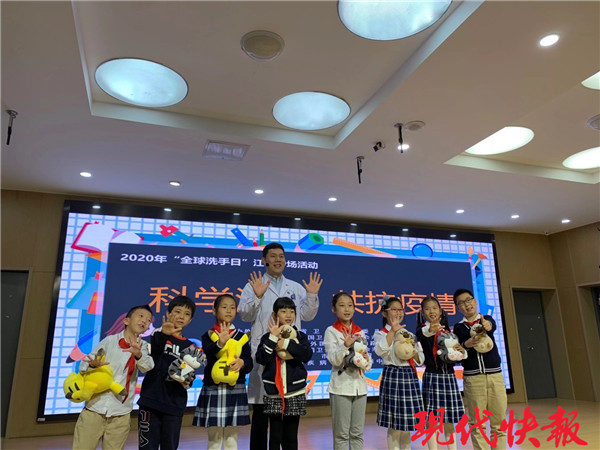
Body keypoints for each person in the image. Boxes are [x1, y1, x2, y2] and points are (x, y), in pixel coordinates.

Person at [239, 242, 322, 449]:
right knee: (261, 414)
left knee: (289, 421)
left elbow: (307, 316)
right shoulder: (252, 286)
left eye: (281, 256)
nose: (278, 260)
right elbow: (245, 315)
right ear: (264, 260)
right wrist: (257, 296)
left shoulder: (295, 287)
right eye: (273, 256)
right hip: (266, 353)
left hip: (289, 355)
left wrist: (312, 296)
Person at [72, 305, 154, 450]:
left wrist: (138, 355)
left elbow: (148, 366)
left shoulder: (143, 346)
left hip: (121, 412)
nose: (144, 321)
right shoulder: (109, 341)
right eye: (140, 316)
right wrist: (93, 365)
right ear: (127, 320)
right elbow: (83, 366)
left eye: (148, 320)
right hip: (95, 408)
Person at [138, 295, 200, 450]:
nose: (181, 316)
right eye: (178, 311)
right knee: (147, 446)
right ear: (168, 313)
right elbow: (156, 346)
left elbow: (189, 374)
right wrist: (165, 333)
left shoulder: (191, 347)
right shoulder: (158, 335)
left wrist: (188, 380)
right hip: (151, 401)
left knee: (170, 446)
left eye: (187, 314)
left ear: (190, 320)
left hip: (174, 404)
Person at [193, 294, 253, 450]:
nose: (228, 310)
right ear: (214, 311)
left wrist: (242, 363)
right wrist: (220, 342)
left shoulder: (241, 337)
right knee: (214, 436)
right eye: (224, 307)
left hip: (235, 387)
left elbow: (249, 362)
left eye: (232, 307)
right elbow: (209, 352)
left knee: (231, 436)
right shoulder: (209, 334)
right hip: (214, 387)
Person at [255, 297, 313, 450]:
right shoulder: (267, 337)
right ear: (275, 315)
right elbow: (261, 358)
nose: (288, 315)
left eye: (292, 311)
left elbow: (306, 355)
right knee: (275, 435)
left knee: (291, 437)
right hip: (273, 392)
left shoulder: (300, 336)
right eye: (283, 311)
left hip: (295, 391)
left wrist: (286, 343)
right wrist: (273, 339)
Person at [452, 288, 507, 450]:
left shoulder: (486, 319)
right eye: (462, 303)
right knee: (477, 424)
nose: (467, 304)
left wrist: (487, 325)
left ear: (475, 301)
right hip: (473, 378)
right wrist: (466, 344)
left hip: (495, 376)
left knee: (499, 423)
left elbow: (491, 326)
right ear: (458, 308)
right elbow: (458, 351)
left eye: (469, 300)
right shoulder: (459, 328)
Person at [373, 297, 424, 450]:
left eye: (400, 309)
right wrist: (393, 332)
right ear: (384, 313)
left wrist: (414, 350)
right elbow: (380, 350)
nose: (398, 313)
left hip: (409, 375)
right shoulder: (381, 333)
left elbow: (420, 359)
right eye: (394, 310)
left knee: (408, 423)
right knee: (394, 424)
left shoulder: (409, 334)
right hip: (393, 375)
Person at [323, 291, 372, 450]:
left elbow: (367, 363)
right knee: (341, 435)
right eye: (342, 305)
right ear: (334, 309)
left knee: (357, 434)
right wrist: (345, 345)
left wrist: (366, 359)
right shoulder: (331, 331)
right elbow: (334, 360)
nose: (347, 309)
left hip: (360, 388)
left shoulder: (359, 331)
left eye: (350, 305)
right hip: (341, 388)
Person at [416, 296, 465, 450]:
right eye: (427, 309)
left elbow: (455, 353)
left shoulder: (447, 331)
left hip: (449, 376)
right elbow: (423, 334)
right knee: (431, 419)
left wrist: (461, 351)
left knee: (449, 419)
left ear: (441, 310)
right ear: (422, 313)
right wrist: (431, 329)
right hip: (432, 376)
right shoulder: (422, 330)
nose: (432, 311)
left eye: (434, 308)